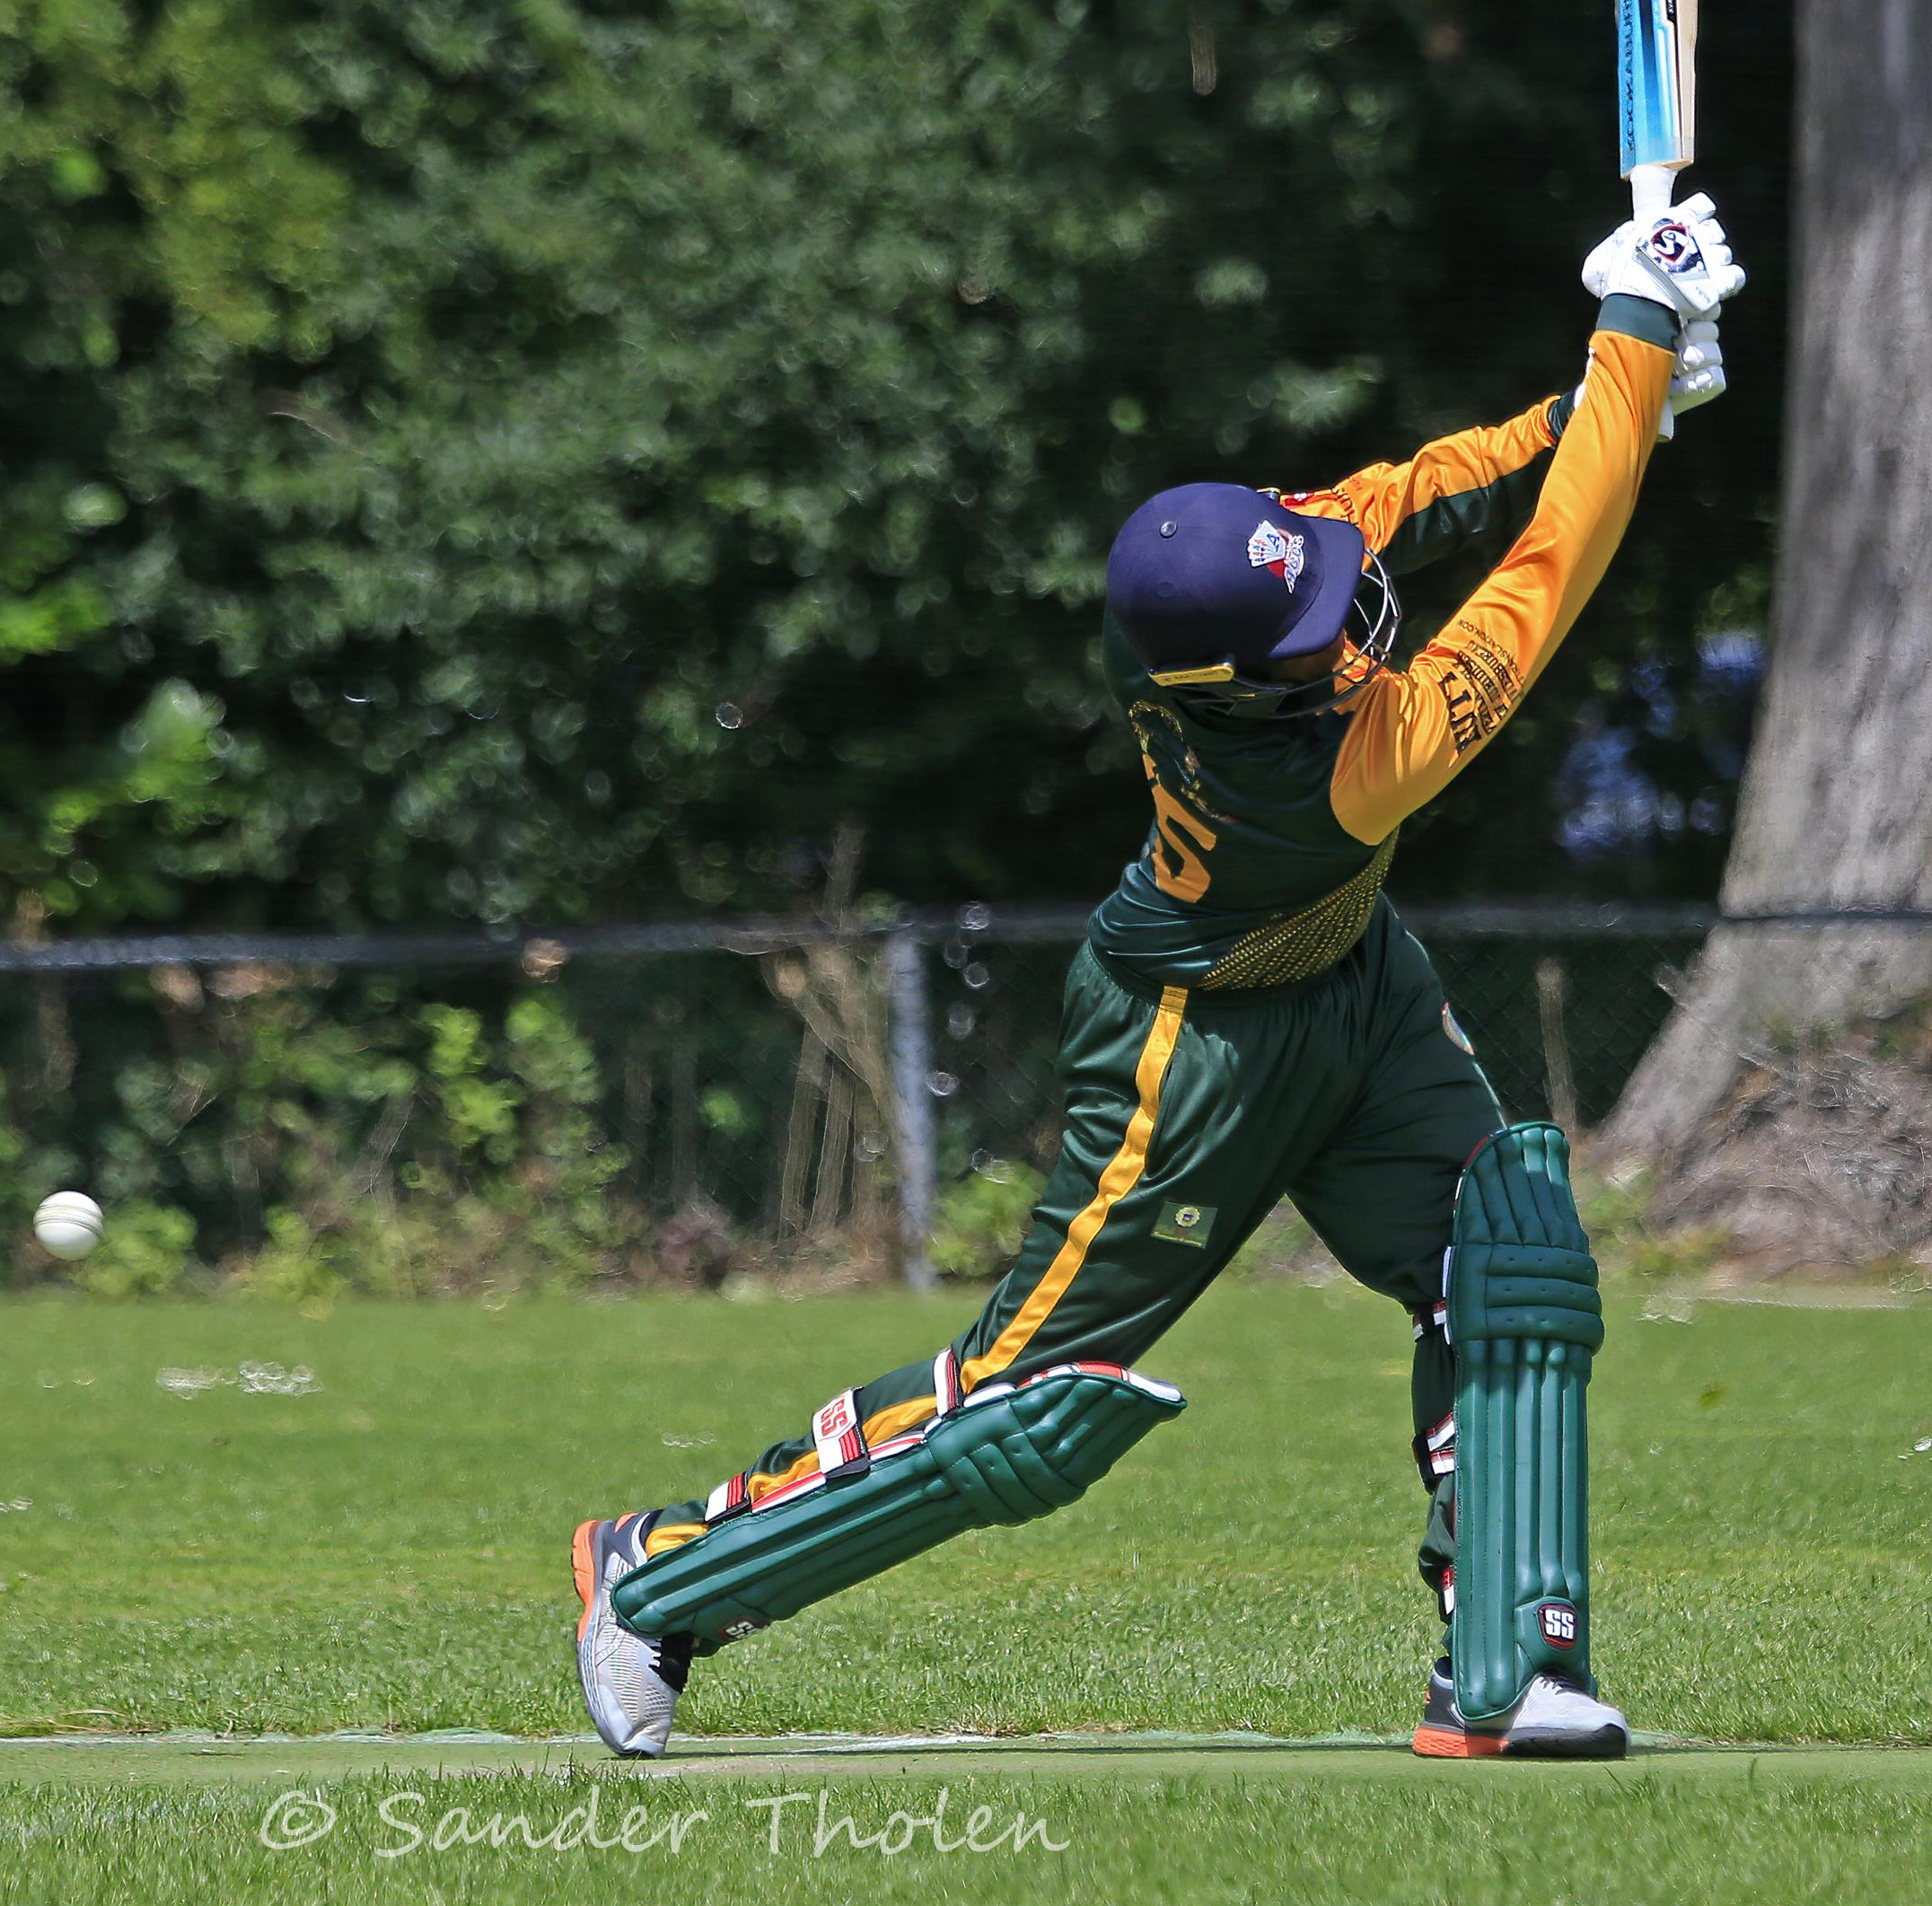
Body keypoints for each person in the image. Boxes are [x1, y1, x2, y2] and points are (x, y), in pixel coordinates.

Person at [572, 198, 1744, 1761]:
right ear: (1240, 692)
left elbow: (1419, 495)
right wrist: (1636, 332)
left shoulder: (1232, 588)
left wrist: (1609, 395)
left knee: (1509, 1258)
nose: (1351, 624)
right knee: (1022, 1408)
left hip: (1357, 984)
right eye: (1314, 638)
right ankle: (661, 1574)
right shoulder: (1338, 775)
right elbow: (1549, 569)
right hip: (1193, 1051)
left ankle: (1507, 1666)